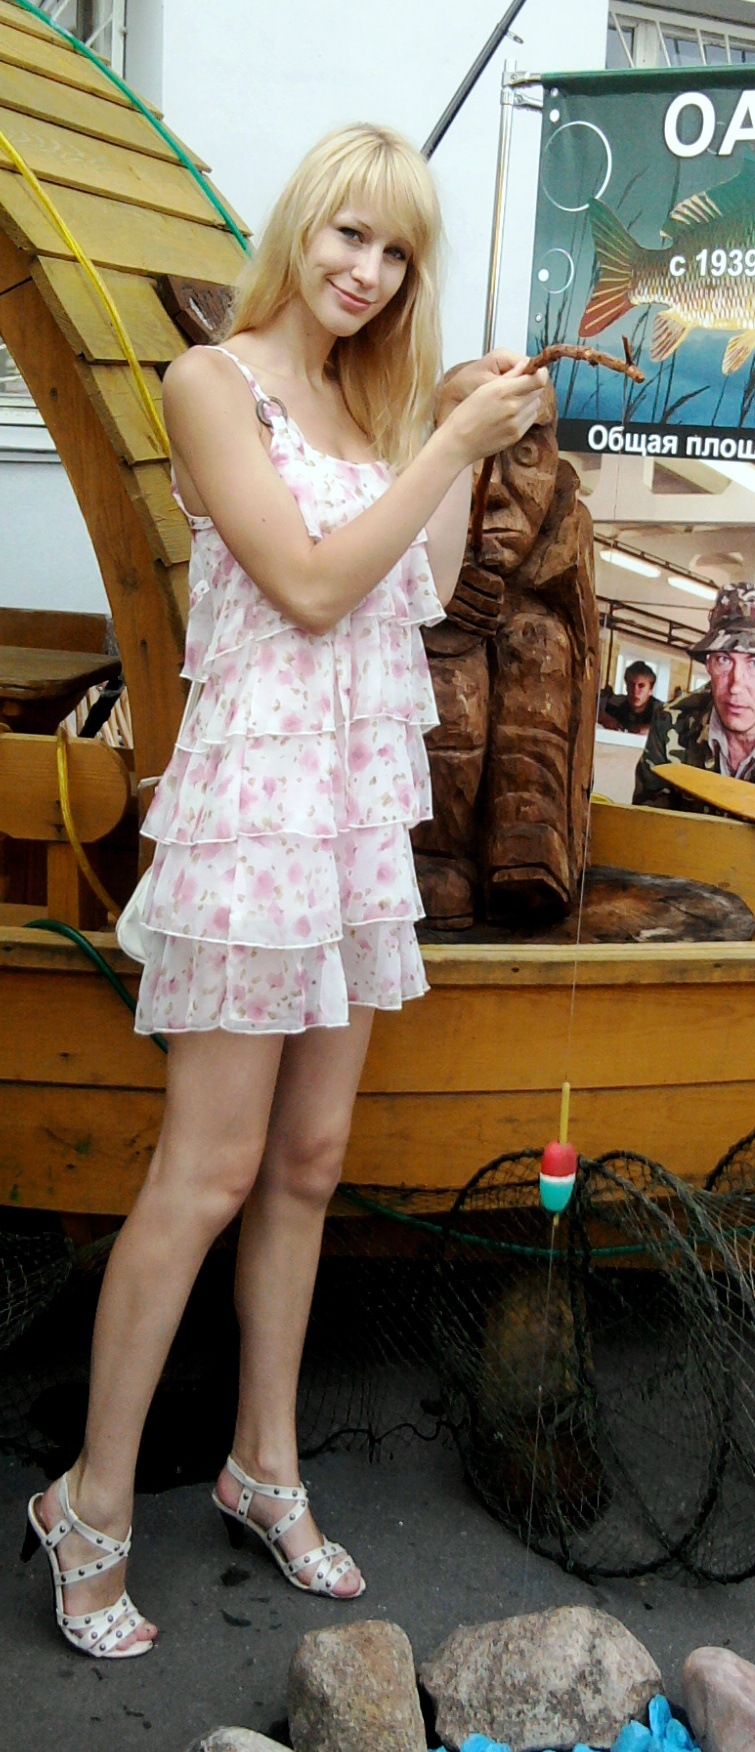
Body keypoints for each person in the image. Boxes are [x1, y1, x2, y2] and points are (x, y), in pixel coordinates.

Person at [20, 123, 547, 1657]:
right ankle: (88, 1504)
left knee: (308, 1163)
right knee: (206, 1171)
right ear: (299, 227)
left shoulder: (366, 406)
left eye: (395, 253)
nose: (365, 271)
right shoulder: (214, 383)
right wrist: (443, 444)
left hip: (347, 813)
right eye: (347, 234)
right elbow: (309, 588)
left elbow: (418, 589)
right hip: (255, 813)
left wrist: (453, 433)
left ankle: (263, 1466)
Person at [634, 584, 755, 809]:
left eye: (754, 664)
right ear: (708, 664)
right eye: (724, 660)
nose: (736, 686)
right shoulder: (672, 722)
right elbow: (648, 822)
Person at [599, 660, 659, 734]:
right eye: (631, 685)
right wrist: (603, 717)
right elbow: (592, 706)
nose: (635, 691)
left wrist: (652, 730)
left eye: (641, 686)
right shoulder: (614, 703)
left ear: (651, 689)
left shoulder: (660, 711)